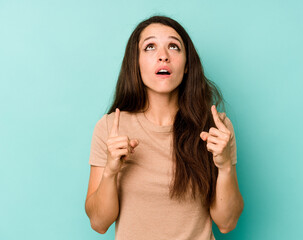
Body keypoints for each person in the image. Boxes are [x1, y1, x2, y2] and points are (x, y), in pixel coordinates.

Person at [85, 15, 244, 239]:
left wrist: (225, 165)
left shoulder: (216, 128)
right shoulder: (111, 128)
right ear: (136, 63)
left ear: (187, 65)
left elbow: (227, 223)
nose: (163, 56)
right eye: (150, 47)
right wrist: (110, 172)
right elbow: (99, 223)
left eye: (174, 47)